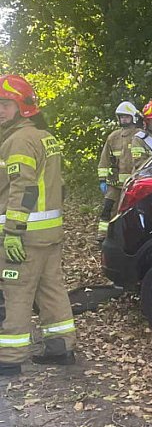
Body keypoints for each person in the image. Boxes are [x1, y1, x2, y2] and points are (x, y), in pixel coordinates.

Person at [0, 74, 76, 377]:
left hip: (26, 234)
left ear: (22, 107)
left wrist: (13, 232)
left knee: (16, 291)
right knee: (51, 290)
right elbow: (60, 185)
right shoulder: (45, 136)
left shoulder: (19, 140)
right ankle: (61, 348)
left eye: (6, 105)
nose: (1, 111)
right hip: (49, 232)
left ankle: (9, 358)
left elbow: (24, 188)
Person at [96, 101, 140, 240]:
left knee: (129, 213)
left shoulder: (140, 136)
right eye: (121, 117)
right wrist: (102, 180)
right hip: (114, 185)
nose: (123, 120)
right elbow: (104, 160)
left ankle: (126, 239)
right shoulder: (113, 137)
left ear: (133, 117)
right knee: (107, 210)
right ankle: (103, 237)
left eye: (126, 117)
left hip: (133, 184)